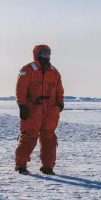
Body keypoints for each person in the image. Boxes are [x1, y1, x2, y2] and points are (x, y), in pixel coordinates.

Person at [15, 44, 64, 175]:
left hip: (51, 111)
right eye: (44, 53)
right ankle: (21, 166)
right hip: (33, 110)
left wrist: (60, 105)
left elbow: (59, 90)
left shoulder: (54, 72)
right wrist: (22, 106)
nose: (47, 56)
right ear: (37, 54)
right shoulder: (27, 70)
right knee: (29, 136)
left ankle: (48, 167)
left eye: (49, 53)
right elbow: (21, 89)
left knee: (49, 138)